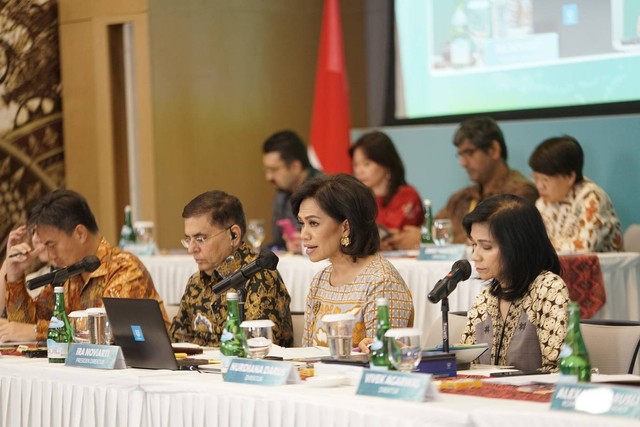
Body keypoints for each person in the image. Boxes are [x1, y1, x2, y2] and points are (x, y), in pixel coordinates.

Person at [0, 189, 169, 343]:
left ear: (80, 234)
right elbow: (24, 327)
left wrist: (39, 331)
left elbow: (108, 330)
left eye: (51, 244)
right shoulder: (68, 275)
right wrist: (14, 275)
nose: (50, 255)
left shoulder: (125, 268)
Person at [291, 174, 414, 349]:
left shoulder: (381, 281)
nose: (304, 234)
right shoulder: (320, 280)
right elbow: (307, 353)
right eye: (301, 224)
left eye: (313, 223)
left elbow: (384, 359)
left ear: (346, 227)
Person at [460, 194, 570, 372]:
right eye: (473, 245)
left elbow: (558, 369)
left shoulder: (548, 288)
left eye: (486, 247)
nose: (475, 256)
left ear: (516, 247)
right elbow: (467, 365)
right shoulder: (485, 298)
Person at [169, 190, 294, 347]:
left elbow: (258, 349)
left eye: (200, 239)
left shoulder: (260, 277)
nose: (191, 249)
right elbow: (176, 342)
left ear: (233, 235)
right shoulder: (196, 282)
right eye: (188, 239)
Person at [529, 135, 623, 253]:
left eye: (545, 180)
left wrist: (548, 246)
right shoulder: (543, 202)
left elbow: (582, 248)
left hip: (604, 270)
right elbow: (534, 246)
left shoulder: (593, 197)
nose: (539, 186)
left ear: (570, 177)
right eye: (535, 178)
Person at [349, 131, 425, 250]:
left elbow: (391, 234)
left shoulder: (407, 195)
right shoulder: (358, 198)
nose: (359, 171)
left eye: (366, 164)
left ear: (385, 163)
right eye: (356, 165)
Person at [262, 130, 322, 253]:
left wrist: (306, 246)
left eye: (274, 170)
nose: (269, 177)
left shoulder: (326, 190)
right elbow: (279, 242)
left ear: (295, 167)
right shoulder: (282, 192)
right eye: (266, 170)